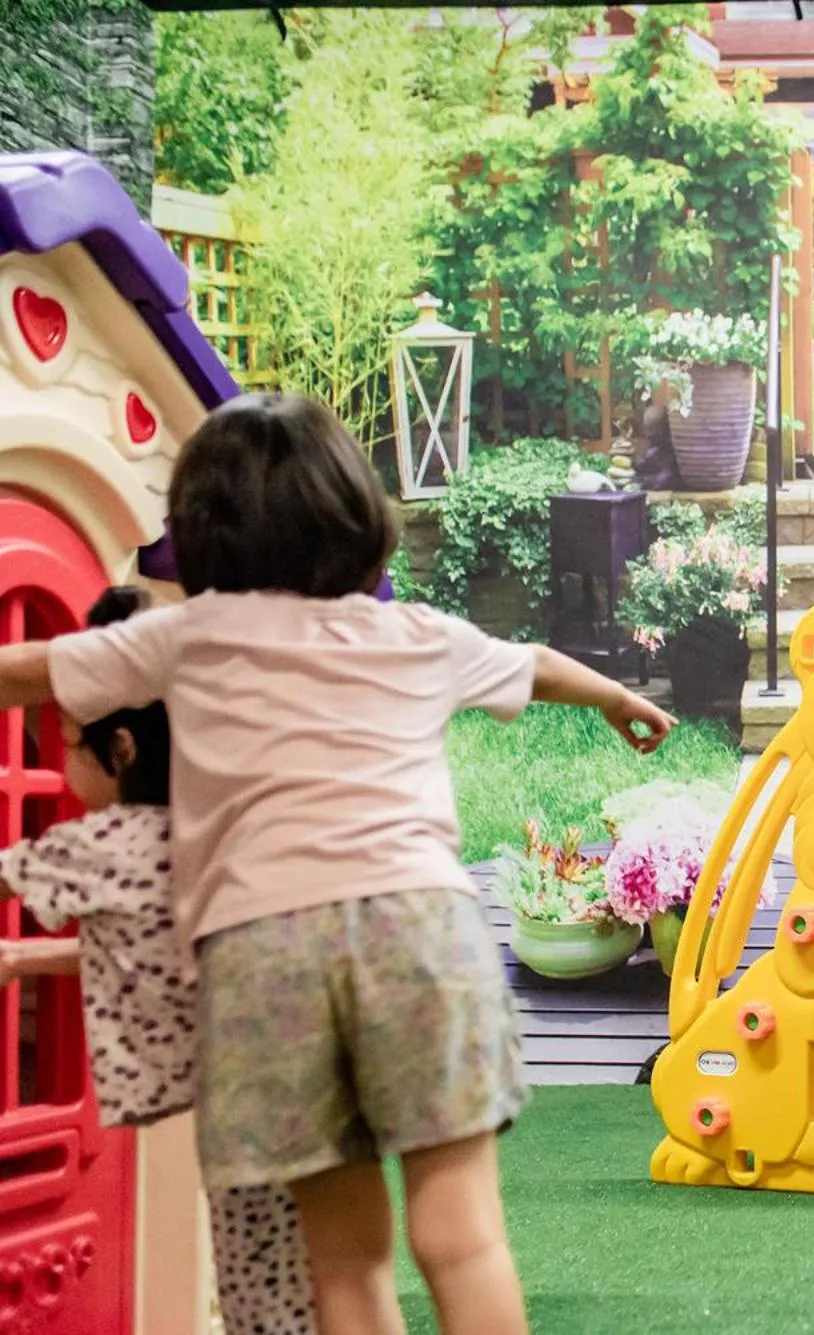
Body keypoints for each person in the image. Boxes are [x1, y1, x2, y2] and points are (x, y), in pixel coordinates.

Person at [0, 392, 676, 1335]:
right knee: (464, 1234)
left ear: (201, 536)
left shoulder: (187, 633)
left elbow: (32, 669)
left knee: (346, 1260)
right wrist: (616, 700)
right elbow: (532, 664)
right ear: (360, 518)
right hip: (420, 932)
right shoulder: (417, 635)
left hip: (261, 952)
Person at [0, 587, 317, 1333]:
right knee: (298, 1282)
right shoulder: (207, 832)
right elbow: (133, 944)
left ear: (121, 750)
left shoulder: (107, 844)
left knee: (260, 1293)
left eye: (69, 742)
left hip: (239, 1109)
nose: (63, 759)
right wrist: (22, 959)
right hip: (296, 1089)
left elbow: (19, 874)